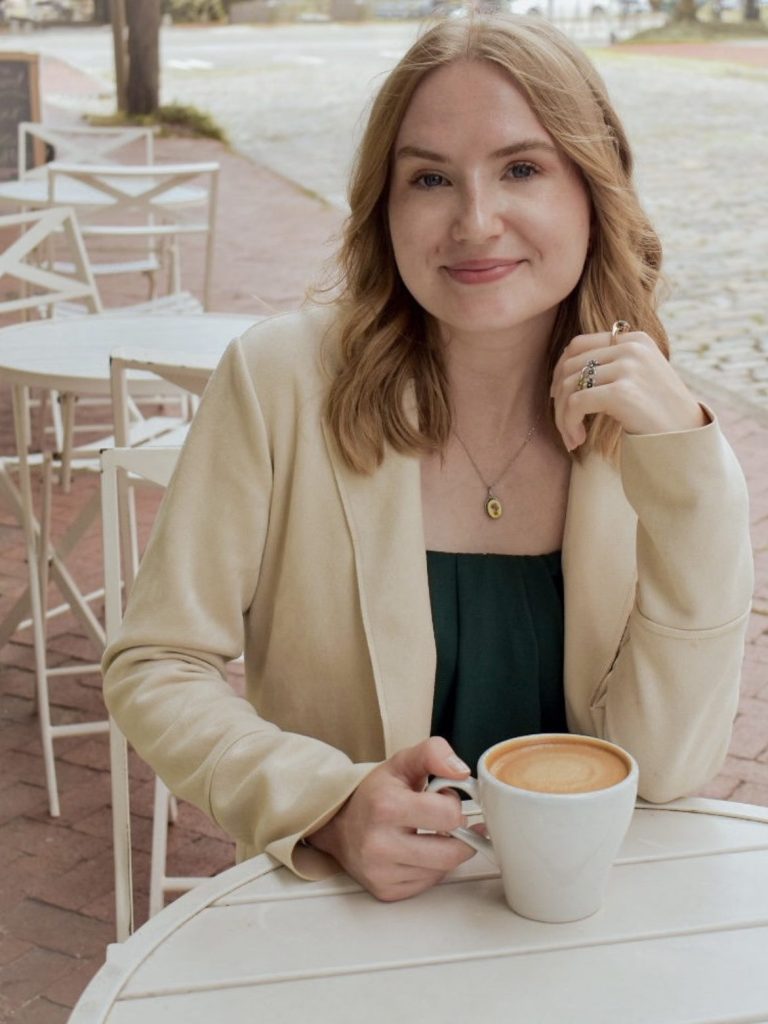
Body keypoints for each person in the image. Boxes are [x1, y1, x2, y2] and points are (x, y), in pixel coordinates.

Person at [103, 13, 753, 903]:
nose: (476, 221)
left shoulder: (646, 427)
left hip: (584, 917)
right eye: (431, 178)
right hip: (353, 913)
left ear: (594, 190)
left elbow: (670, 769)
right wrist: (323, 802)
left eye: (523, 168)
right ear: (387, 205)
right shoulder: (279, 379)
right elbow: (157, 663)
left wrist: (692, 475)